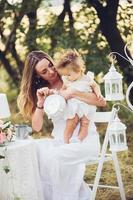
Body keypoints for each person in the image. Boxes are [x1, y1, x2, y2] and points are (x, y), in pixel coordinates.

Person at [17, 50, 106, 200]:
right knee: (35, 150)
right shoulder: (42, 91)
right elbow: (37, 127)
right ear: (38, 75)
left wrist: (72, 93)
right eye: (44, 71)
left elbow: (101, 102)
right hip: (61, 140)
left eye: (51, 66)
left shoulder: (72, 76)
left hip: (83, 139)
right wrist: (40, 103)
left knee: (54, 157)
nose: (51, 71)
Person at [55, 49, 103, 144]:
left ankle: (78, 139)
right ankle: (65, 140)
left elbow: (96, 86)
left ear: (79, 70)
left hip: (86, 106)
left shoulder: (88, 78)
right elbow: (62, 90)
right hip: (73, 106)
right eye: (65, 75)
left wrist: (99, 94)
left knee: (85, 123)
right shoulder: (67, 80)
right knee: (71, 123)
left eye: (69, 74)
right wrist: (61, 93)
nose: (67, 77)